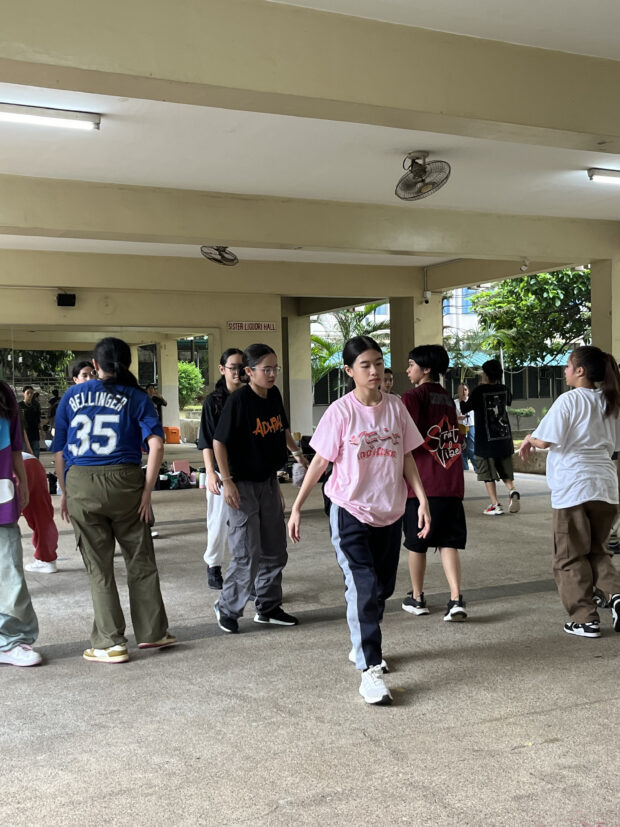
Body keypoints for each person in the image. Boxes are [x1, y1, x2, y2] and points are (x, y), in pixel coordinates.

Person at [288, 336, 430, 706]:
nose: (374, 371)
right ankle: (370, 670)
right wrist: (298, 506)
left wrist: (423, 499)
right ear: (349, 371)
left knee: (380, 590)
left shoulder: (397, 408)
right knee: (364, 588)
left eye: (379, 364)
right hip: (349, 510)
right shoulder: (340, 412)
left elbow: (407, 457)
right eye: (365, 365)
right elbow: (320, 463)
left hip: (390, 511)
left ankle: (360, 642)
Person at [53, 337, 176, 664]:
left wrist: (66, 493)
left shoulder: (72, 395)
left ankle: (110, 643)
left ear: (95, 365)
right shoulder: (137, 397)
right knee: (140, 560)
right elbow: (157, 447)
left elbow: (59, 451)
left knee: (99, 568)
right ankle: (153, 632)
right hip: (125, 482)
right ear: (127, 364)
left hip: (81, 482)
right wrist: (147, 492)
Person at [519, 346, 620, 638]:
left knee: (569, 556)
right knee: (598, 551)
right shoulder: (610, 402)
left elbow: (545, 440)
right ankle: (616, 596)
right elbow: (614, 448)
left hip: (574, 489)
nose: (564, 371)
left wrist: (528, 438)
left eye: (567, 365)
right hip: (605, 488)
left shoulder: (570, 400)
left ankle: (584, 618)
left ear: (580, 371)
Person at [212, 343, 308, 634]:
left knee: (275, 549)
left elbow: (282, 430)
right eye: (266, 369)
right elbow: (219, 442)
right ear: (249, 372)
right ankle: (227, 608)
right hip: (241, 484)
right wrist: (226, 481)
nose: (272, 374)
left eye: (275, 368)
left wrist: (298, 454)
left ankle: (267, 607)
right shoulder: (238, 401)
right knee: (247, 552)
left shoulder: (274, 395)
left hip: (267, 482)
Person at [401, 345, 468, 622]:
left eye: (411, 364)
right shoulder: (447, 399)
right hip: (451, 482)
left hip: (422, 486)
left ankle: (417, 598)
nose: (408, 370)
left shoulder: (413, 397)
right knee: (447, 542)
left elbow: (407, 438)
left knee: (417, 543)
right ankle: (455, 599)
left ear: (426, 369)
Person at [0, 381, 42, 667]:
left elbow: (15, 447)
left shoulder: (3, 394)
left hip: (2, 495)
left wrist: (23, 483)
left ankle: (12, 639)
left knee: (9, 569)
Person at [196, 347, 243, 589]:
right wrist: (211, 473)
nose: (238, 372)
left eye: (241, 367)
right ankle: (213, 565)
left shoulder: (251, 397)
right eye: (232, 367)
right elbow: (206, 440)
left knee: (245, 525)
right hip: (220, 472)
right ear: (222, 369)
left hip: (246, 472)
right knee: (218, 522)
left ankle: (246, 570)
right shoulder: (214, 402)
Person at [460, 358, 520, 515]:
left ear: (485, 374)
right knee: (505, 471)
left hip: (486, 442)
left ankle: (495, 504)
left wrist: (461, 398)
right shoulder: (505, 389)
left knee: (488, 474)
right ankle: (512, 491)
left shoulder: (479, 391)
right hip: (504, 438)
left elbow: (465, 409)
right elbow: (508, 401)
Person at [22, 436, 59, 573]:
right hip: (30, 461)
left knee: (7, 522)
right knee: (42, 514)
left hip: (8, 464)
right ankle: (47, 560)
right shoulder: (13, 415)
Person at [454, 382, 477, 472]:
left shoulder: (472, 401)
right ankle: (465, 469)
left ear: (468, 391)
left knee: (471, 448)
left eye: (465, 390)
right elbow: (449, 416)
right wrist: (457, 418)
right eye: (461, 390)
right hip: (459, 427)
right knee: (461, 449)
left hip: (471, 427)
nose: (463, 392)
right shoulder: (454, 402)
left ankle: (477, 469)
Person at [18, 385, 41, 458]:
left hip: (34, 434)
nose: (30, 395)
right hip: (23, 435)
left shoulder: (36, 405)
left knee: (36, 454)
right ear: (23, 393)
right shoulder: (19, 406)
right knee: (25, 456)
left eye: (31, 393)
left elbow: (38, 419)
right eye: (28, 393)